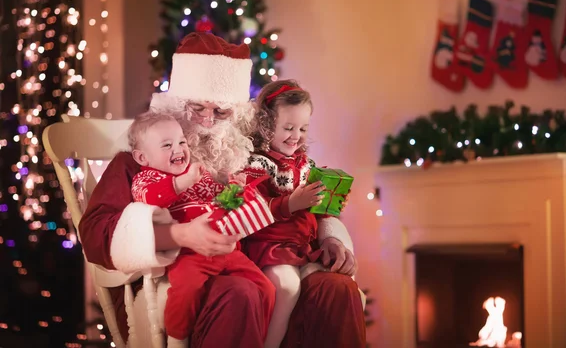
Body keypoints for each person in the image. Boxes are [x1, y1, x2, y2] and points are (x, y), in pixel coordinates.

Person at [78, 31, 366, 347]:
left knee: (336, 289)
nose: (206, 121)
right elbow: (94, 234)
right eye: (197, 108)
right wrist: (175, 236)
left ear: (236, 114)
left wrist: (330, 237)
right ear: (174, 105)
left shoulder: (249, 152)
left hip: (262, 258)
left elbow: (292, 195)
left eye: (221, 112)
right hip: (182, 275)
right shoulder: (138, 160)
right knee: (240, 292)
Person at [127, 112, 274, 347]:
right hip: (189, 253)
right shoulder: (146, 179)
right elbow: (149, 199)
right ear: (142, 157)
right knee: (186, 289)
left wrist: (233, 190)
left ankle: (262, 336)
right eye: (167, 145)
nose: (179, 149)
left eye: (182, 142)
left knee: (265, 287)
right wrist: (182, 182)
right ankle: (177, 338)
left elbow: (218, 198)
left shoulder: (199, 173)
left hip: (225, 249)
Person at [240, 80, 358, 348]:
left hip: (302, 246)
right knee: (287, 287)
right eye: (289, 128)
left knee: (330, 283)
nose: (296, 136)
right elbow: (252, 207)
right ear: (267, 126)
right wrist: (291, 203)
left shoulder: (304, 165)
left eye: (303, 128)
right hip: (269, 246)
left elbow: (318, 210)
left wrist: (330, 198)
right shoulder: (258, 164)